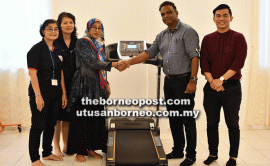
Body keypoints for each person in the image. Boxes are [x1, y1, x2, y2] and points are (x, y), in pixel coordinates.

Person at [119, 1, 200, 166]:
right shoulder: (162, 35)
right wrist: (129, 62)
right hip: (168, 81)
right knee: (173, 117)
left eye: (169, 12)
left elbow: (194, 56)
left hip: (184, 81)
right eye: (163, 14)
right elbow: (149, 53)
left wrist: (193, 80)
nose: (166, 16)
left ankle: (191, 155)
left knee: (187, 118)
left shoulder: (188, 31)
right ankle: (178, 150)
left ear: (176, 12)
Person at [66, 18, 122, 163]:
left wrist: (107, 83)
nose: (97, 30)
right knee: (81, 118)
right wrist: (115, 64)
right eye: (94, 27)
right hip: (83, 85)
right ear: (88, 29)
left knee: (94, 118)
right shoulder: (82, 42)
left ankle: (90, 149)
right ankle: (80, 151)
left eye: (99, 28)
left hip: (97, 86)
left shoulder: (100, 45)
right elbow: (92, 62)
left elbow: (101, 66)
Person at [200, 4, 247, 166]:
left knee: (232, 123)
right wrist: (213, 81)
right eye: (218, 16)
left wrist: (221, 80)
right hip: (211, 88)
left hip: (232, 88)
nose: (221, 19)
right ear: (213, 19)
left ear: (231, 18)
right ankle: (213, 154)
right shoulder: (207, 39)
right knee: (212, 123)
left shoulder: (238, 37)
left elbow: (238, 62)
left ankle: (232, 157)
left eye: (225, 16)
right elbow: (204, 63)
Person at [27, 19, 68, 166]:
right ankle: (34, 159)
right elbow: (32, 74)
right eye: (49, 29)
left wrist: (63, 94)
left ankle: (47, 153)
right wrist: (38, 96)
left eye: (56, 29)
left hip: (56, 93)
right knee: (38, 125)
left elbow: (60, 74)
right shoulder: (35, 50)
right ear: (43, 31)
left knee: (51, 124)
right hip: (41, 93)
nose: (53, 32)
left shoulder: (58, 51)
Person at [53, 12, 78, 158]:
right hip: (57, 84)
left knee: (68, 115)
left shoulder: (78, 42)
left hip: (74, 84)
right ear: (59, 25)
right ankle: (55, 146)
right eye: (65, 23)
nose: (68, 25)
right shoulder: (55, 42)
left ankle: (66, 144)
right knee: (56, 116)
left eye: (71, 22)